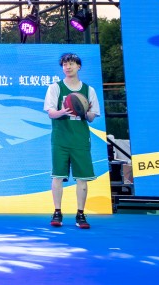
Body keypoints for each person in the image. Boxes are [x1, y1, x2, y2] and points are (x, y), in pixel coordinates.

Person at [44, 53, 100, 229]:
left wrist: (84, 111)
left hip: (80, 139)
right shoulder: (55, 88)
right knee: (58, 176)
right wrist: (63, 111)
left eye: (71, 64)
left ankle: (80, 214)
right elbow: (51, 113)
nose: (67, 67)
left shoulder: (89, 90)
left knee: (82, 179)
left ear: (79, 66)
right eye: (65, 65)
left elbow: (92, 117)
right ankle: (57, 212)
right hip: (60, 138)